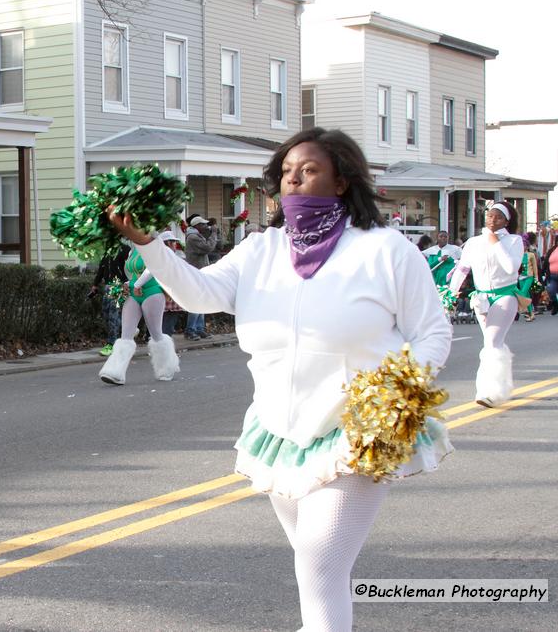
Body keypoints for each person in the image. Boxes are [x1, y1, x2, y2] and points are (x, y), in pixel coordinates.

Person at [108, 128, 452, 632]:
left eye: (308, 170)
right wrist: (149, 243)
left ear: (340, 183)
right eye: (286, 172)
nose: (293, 179)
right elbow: (201, 294)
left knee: (319, 563)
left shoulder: (385, 250)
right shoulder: (260, 250)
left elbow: (432, 333)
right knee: (316, 570)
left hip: (357, 431)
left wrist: (398, 396)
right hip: (281, 431)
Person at [450, 201, 524, 408]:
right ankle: (503, 383)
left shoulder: (514, 241)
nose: (492, 220)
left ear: (507, 221)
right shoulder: (473, 242)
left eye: (498, 217)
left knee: (492, 342)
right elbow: (462, 269)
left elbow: (511, 268)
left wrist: (495, 242)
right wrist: (451, 292)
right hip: (481, 298)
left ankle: (488, 391)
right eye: (490, 216)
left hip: (505, 295)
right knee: (493, 343)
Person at [98, 238, 179, 385]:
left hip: (152, 292)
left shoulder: (154, 246)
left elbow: (152, 269)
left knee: (156, 334)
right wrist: (128, 284)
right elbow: (133, 273)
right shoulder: (133, 249)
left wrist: (137, 284)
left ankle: (167, 368)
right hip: (135, 292)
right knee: (126, 334)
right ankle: (115, 372)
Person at [183, 216, 217, 339]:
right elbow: (208, 247)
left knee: (202, 301)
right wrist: (213, 233)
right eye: (203, 224)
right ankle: (190, 330)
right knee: (196, 301)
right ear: (197, 226)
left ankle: (199, 328)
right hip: (195, 273)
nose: (205, 226)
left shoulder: (196, 236)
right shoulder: (193, 238)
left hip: (200, 273)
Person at [517, 231, 539, 322]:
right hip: (521, 277)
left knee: (522, 293)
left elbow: (535, 267)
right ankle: (531, 313)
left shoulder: (531, 255)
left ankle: (521, 310)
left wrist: (536, 278)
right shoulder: (518, 255)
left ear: (527, 245)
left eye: (524, 245)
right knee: (526, 295)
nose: (523, 247)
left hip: (529, 276)